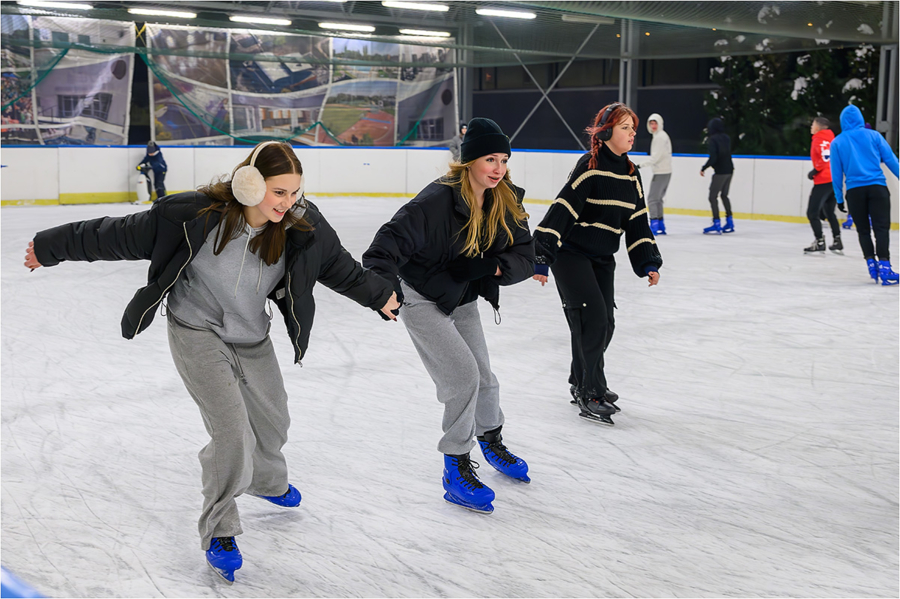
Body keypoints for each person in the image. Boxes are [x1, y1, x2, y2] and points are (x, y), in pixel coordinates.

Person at [23, 141, 400, 584]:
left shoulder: (302, 226)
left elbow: (339, 267)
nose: (288, 203)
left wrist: (379, 296)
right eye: (279, 192)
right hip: (196, 330)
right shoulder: (193, 217)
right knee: (230, 431)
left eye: (295, 192)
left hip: (251, 336)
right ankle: (220, 529)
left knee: (274, 421)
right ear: (250, 183)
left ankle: (267, 482)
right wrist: (49, 248)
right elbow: (113, 233)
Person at [363, 117, 534, 514]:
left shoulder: (505, 198)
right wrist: (383, 289)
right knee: (463, 378)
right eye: (490, 159)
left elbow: (527, 253)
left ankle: (491, 441)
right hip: (420, 297)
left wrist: (491, 269)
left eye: (504, 159)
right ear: (468, 161)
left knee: (485, 378)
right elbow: (383, 247)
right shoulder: (434, 201)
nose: (498, 168)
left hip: (461, 297)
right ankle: (455, 467)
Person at [531, 103, 662, 426]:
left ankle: (581, 380)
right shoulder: (589, 167)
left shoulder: (632, 174)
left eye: (633, 127)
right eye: (625, 128)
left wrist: (648, 262)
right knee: (593, 319)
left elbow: (638, 221)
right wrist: (541, 257)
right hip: (572, 254)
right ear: (606, 133)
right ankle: (591, 392)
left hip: (603, 256)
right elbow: (562, 210)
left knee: (606, 323)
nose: (633, 133)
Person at [829, 104, 900, 285]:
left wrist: (838, 198)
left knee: (863, 230)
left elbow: (836, 174)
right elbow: (891, 159)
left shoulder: (837, 142)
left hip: (854, 192)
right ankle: (885, 267)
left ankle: (871, 264)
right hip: (877, 188)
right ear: (860, 118)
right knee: (881, 228)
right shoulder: (874, 135)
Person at [803, 117, 843, 254]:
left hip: (823, 180)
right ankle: (837, 239)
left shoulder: (818, 139)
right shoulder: (832, 138)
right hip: (834, 179)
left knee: (812, 213)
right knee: (829, 211)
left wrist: (815, 170)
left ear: (819, 127)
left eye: (813, 124)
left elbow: (823, 158)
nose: (811, 127)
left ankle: (819, 241)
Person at [638, 112, 672, 235]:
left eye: (655, 123)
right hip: (665, 171)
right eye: (651, 123)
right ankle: (660, 224)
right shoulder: (661, 136)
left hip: (661, 171)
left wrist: (640, 165)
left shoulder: (659, 138)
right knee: (657, 199)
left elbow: (655, 158)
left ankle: (654, 224)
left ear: (660, 124)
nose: (653, 126)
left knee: (652, 199)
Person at [699, 117, 735, 234]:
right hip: (730, 170)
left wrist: (704, 167)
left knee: (712, 197)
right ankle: (730, 221)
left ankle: (716, 222)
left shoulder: (713, 139)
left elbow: (714, 157)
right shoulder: (726, 138)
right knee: (724, 195)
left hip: (720, 172)